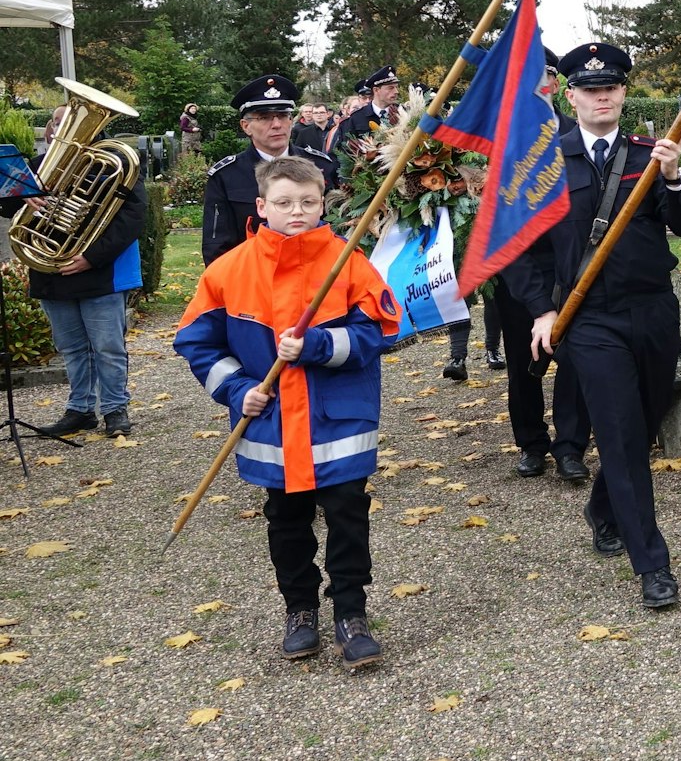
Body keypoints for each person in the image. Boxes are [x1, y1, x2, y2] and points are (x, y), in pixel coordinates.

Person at [174, 156, 398, 670]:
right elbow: (196, 342)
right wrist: (236, 389)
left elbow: (375, 334)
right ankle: (300, 610)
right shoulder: (229, 271)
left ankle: (351, 614)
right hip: (271, 424)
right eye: (283, 203)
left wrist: (317, 343)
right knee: (286, 517)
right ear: (261, 206)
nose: (296, 212)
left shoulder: (348, 263)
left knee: (347, 513)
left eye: (307, 202)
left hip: (338, 422)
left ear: (323, 203)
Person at [506, 42, 681, 608]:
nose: (601, 95)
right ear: (571, 96)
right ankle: (653, 567)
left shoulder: (648, 153)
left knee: (642, 421)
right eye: (590, 89)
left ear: (622, 93)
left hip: (653, 309)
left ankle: (602, 507)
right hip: (588, 321)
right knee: (619, 432)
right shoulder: (544, 161)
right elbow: (520, 249)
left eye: (610, 87)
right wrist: (543, 309)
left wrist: (673, 175)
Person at [0, 147, 146, 438]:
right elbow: (6, 207)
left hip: (97, 270)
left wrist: (92, 256)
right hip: (51, 271)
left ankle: (115, 408)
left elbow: (133, 216)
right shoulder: (39, 166)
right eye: (57, 124)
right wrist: (22, 199)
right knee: (70, 347)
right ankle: (80, 408)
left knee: (107, 347)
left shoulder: (115, 165)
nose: (60, 131)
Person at [495, 47, 591, 480]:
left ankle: (570, 447)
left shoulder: (581, 135)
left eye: (542, 76)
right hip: (521, 273)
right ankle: (531, 444)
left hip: (575, 271)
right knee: (524, 366)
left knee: (576, 364)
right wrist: (538, 303)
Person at [202, 75, 339, 264]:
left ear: (291, 120)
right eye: (265, 117)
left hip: (316, 276)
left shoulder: (321, 165)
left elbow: (337, 229)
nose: (276, 125)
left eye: (283, 116)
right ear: (246, 126)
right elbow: (216, 247)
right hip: (253, 278)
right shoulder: (226, 175)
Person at [330, 67, 402, 164]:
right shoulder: (355, 119)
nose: (396, 91)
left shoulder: (403, 113)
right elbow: (343, 154)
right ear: (376, 90)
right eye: (390, 88)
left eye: (396, 87)